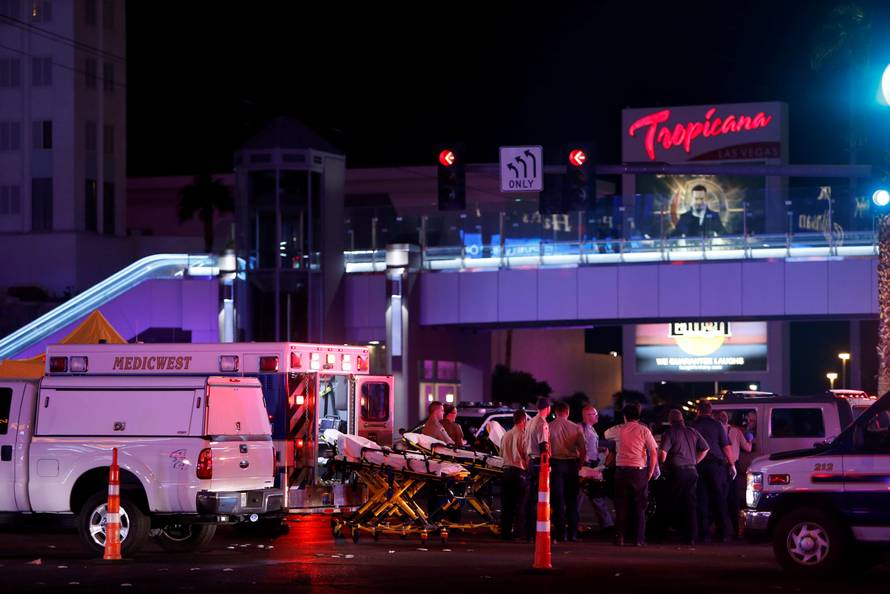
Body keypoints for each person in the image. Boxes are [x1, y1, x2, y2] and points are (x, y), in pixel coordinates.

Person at [657, 409, 709, 544]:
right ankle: (691, 537)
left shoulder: (669, 433)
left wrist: (660, 464)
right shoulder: (692, 431)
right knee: (690, 505)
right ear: (682, 419)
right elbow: (705, 448)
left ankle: (660, 534)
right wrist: (695, 461)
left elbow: (662, 454)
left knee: (669, 503)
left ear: (670, 420)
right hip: (692, 472)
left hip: (677, 472)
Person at [613, 404, 658, 547]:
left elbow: (605, 434)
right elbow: (653, 452)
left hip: (621, 471)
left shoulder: (618, 430)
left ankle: (619, 538)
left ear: (624, 416)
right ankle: (639, 539)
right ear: (638, 416)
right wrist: (650, 471)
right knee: (640, 507)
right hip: (639, 471)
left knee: (621, 506)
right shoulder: (644, 430)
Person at [690, 401, 733, 542]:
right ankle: (724, 534)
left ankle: (704, 535)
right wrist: (732, 464)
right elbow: (726, 446)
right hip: (716, 466)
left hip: (699, 464)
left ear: (698, 411)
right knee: (719, 499)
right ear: (711, 411)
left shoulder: (693, 426)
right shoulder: (717, 425)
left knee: (701, 500)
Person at [548, 401, 586, 542]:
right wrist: (580, 466)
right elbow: (583, 450)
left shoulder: (549, 427)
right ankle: (573, 534)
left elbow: (545, 448)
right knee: (572, 502)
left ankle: (560, 534)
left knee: (558, 502)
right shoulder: (576, 427)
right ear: (567, 412)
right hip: (572, 466)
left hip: (556, 465)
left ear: (556, 412)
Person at [578, 405, 614, 533]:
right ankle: (606, 524)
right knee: (587, 495)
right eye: (594, 414)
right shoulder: (581, 428)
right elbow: (579, 447)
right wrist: (583, 463)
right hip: (586, 466)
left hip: (591, 465)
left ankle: (607, 524)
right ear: (587, 415)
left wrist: (599, 450)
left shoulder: (590, 429)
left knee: (591, 494)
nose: (597, 416)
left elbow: (589, 446)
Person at [716, 410, 752, 536]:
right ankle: (736, 530)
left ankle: (722, 530)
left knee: (721, 498)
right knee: (734, 499)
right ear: (728, 419)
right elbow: (748, 448)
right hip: (734, 466)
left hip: (720, 467)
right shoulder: (736, 432)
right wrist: (750, 438)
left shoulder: (715, 430)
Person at [524, 397, 552, 541]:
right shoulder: (542, 423)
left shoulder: (530, 422)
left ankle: (527, 531)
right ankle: (535, 531)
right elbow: (543, 446)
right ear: (548, 408)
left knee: (529, 499)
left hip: (530, 461)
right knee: (539, 499)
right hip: (538, 463)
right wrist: (546, 464)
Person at [499, 410, 529, 540]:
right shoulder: (523, 435)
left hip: (506, 472)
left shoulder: (506, 435)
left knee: (506, 505)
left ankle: (505, 532)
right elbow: (526, 455)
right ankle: (518, 533)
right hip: (519, 471)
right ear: (523, 420)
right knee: (520, 504)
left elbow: (500, 455)